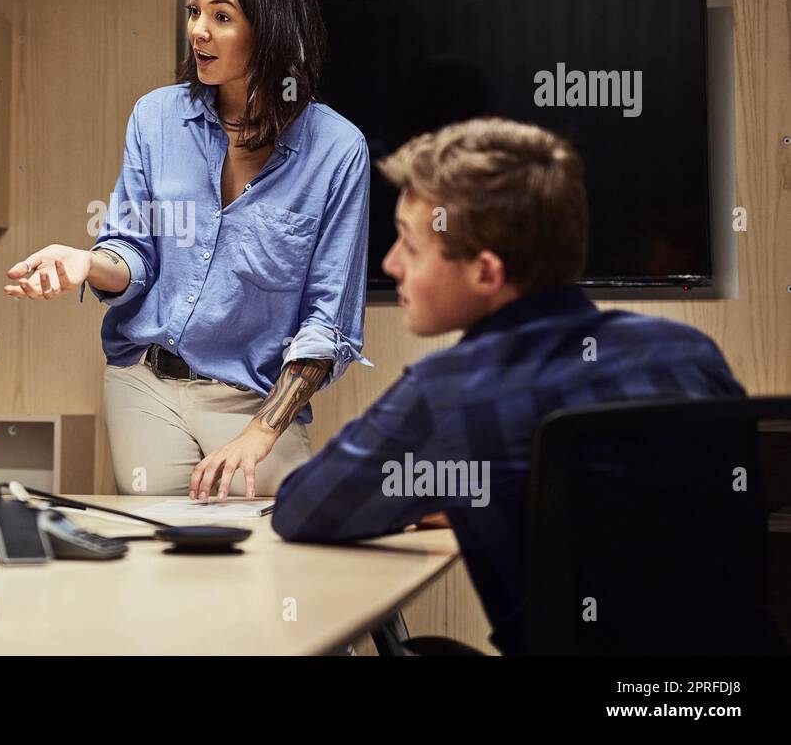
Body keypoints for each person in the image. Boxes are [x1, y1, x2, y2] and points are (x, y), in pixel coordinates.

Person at [270, 117, 746, 654]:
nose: (390, 263)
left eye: (409, 243)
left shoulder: (449, 392)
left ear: (486, 273)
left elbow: (303, 510)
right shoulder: (688, 351)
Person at [4, 0, 371, 500]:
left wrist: (259, 432)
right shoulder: (155, 118)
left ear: (272, 27)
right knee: (161, 566)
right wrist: (84, 262)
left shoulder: (337, 149)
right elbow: (134, 255)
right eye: (194, 11)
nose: (198, 30)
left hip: (254, 400)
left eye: (221, 16)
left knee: (269, 570)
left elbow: (330, 320)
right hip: (144, 382)